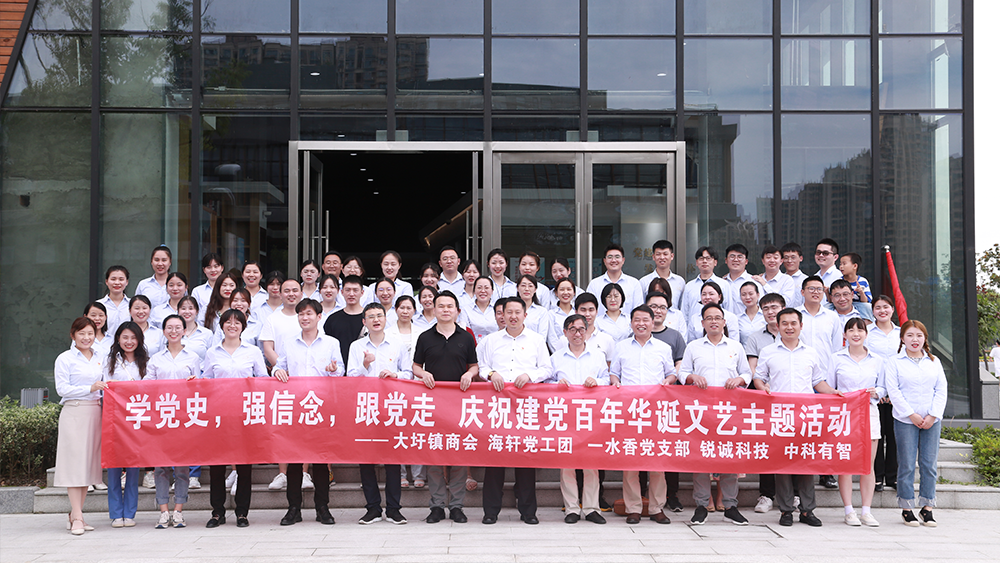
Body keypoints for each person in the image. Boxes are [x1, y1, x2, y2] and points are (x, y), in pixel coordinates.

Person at [752, 308, 843, 527]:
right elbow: (759, 378)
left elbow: (817, 382)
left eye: (793, 323)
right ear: (778, 326)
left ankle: (807, 510)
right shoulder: (768, 351)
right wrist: (763, 388)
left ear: (801, 326)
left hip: (805, 416)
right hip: (779, 416)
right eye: (784, 323)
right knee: (782, 465)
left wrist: (833, 393)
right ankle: (785, 511)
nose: (789, 327)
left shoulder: (810, 352)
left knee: (805, 463)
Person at [477, 297, 553, 525]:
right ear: (502, 314)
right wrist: (492, 374)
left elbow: (547, 368)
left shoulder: (536, 340)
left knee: (525, 458)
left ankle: (528, 511)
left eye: (517, 312)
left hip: (525, 405)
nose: (512, 316)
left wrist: (530, 376)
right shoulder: (490, 340)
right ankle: (491, 511)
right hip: (498, 406)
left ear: (525, 315)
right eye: (508, 312)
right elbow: (482, 367)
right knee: (495, 458)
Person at [271, 299, 344, 527]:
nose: (305, 317)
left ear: (319, 317)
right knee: (294, 460)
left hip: (321, 407)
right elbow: (279, 366)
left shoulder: (331, 343)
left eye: (309, 313)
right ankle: (294, 508)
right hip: (295, 407)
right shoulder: (289, 343)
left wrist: (333, 370)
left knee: (321, 460)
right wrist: (277, 371)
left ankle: (322, 507)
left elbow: (340, 371)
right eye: (301, 314)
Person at [680, 303, 752, 526]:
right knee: (701, 458)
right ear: (702, 323)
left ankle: (730, 506)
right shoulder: (693, 347)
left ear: (724, 322)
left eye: (717, 318)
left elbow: (747, 373)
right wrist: (692, 377)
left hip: (728, 412)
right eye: (709, 318)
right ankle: (701, 505)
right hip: (701, 412)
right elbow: (683, 372)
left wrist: (739, 380)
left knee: (729, 458)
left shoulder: (735, 346)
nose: (713, 321)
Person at [413, 290, 480, 524]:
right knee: (434, 456)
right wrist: (423, 374)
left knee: (459, 457)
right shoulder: (425, 337)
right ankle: (437, 506)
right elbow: (415, 365)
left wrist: (469, 375)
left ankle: (457, 506)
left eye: (450, 306)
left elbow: (474, 366)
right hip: (432, 404)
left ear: (457, 311)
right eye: (440, 306)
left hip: (460, 404)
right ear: (434, 309)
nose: (445, 310)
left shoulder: (466, 337)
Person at [610, 305, 677, 525]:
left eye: (645, 320)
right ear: (631, 323)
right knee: (630, 461)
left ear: (653, 321)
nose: (641, 324)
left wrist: (668, 381)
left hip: (655, 411)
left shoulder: (663, 348)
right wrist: (616, 383)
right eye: (637, 320)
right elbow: (614, 374)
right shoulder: (621, 347)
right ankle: (633, 508)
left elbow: (671, 373)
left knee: (657, 461)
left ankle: (657, 508)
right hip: (629, 411)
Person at [202, 309, 268, 528]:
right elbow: (206, 380)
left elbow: (263, 379)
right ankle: (217, 512)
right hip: (219, 416)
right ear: (221, 326)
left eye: (237, 322)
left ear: (243, 326)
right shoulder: (212, 352)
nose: (232, 325)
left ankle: (242, 512)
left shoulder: (253, 351)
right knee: (217, 466)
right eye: (228, 322)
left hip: (244, 415)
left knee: (244, 466)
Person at [347, 303, 412, 525]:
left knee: (393, 460)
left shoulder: (397, 344)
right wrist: (365, 366)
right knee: (366, 461)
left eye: (379, 315)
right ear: (364, 322)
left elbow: (409, 373)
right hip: (366, 408)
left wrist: (395, 375)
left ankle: (394, 508)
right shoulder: (356, 346)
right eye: (371, 317)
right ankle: (373, 508)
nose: (376, 320)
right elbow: (350, 377)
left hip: (392, 407)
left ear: (386, 319)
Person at [885, 319, 947, 527]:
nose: (915, 339)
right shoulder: (894, 362)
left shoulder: (934, 361)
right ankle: (907, 508)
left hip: (931, 420)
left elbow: (941, 389)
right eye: (910, 335)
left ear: (925, 338)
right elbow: (894, 391)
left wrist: (933, 415)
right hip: (905, 420)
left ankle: (927, 508)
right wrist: (911, 414)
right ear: (902, 338)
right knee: (907, 464)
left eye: (919, 335)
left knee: (929, 465)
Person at [552, 314, 609, 525]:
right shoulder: (556, 357)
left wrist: (596, 381)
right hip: (564, 415)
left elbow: (607, 379)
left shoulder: (597, 356)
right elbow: (546, 382)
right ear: (565, 332)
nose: (577, 333)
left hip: (590, 416)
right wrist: (556, 385)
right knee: (567, 463)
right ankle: (572, 508)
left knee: (591, 463)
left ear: (587, 332)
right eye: (572, 329)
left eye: (581, 329)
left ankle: (592, 508)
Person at [146, 314, 201, 529]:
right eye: (169, 327)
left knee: (181, 467)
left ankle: (178, 511)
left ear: (184, 331)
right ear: (164, 331)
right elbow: (147, 386)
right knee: (160, 467)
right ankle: (163, 511)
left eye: (178, 327)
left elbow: (200, 388)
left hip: (185, 418)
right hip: (161, 418)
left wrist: (195, 383)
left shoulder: (193, 357)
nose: (174, 331)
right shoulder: (155, 359)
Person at [829, 318, 884, 527]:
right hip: (844, 415)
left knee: (867, 465)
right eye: (850, 330)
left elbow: (883, 387)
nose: (855, 334)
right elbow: (829, 387)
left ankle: (866, 511)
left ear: (866, 334)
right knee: (846, 463)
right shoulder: (836, 358)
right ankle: (849, 510)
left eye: (860, 330)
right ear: (844, 335)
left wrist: (876, 392)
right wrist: (837, 394)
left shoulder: (877, 360)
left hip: (869, 413)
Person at [54, 317, 106, 535]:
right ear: (73, 335)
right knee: (75, 466)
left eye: (90, 333)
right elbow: (62, 389)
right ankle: (77, 517)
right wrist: (90, 388)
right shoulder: (65, 358)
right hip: (74, 412)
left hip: (95, 412)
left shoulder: (100, 356)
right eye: (82, 333)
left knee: (87, 466)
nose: (86, 337)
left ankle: (76, 514)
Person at [260, 279, 309, 492]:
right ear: (279, 294)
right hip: (281, 380)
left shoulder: (307, 316)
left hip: (306, 380)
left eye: (295, 290)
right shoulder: (272, 318)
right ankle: (282, 473)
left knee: (306, 426)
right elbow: (268, 348)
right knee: (283, 427)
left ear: (301, 293)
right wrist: (282, 368)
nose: (291, 294)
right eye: (286, 291)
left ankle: (304, 472)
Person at [743, 293, 786, 514]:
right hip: (765, 398)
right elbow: (753, 368)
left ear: (783, 308)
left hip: (790, 400)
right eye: (766, 308)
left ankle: (794, 494)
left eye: (774, 307)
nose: (771, 312)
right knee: (767, 446)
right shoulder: (755, 338)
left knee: (791, 446)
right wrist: (763, 386)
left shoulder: (796, 334)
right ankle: (767, 494)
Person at [103, 322, 148, 528]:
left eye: (133, 338)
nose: (129, 342)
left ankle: (129, 512)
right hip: (114, 418)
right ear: (118, 339)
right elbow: (105, 387)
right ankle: (115, 513)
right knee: (113, 466)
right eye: (125, 337)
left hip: (137, 418)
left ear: (139, 340)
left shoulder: (146, 362)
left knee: (133, 466)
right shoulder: (109, 361)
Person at [867, 295, 901, 492]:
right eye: (878, 307)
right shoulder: (867, 333)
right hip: (875, 393)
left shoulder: (901, 333)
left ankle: (892, 477)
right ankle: (877, 477)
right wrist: (880, 391)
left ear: (892, 309)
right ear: (873, 311)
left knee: (894, 436)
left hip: (898, 393)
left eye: (886, 307)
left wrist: (893, 392)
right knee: (876, 436)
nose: (882, 311)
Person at [798, 276, 842, 370]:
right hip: (800, 370)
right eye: (811, 289)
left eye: (819, 289)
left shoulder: (832, 316)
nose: (816, 292)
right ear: (802, 292)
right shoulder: (794, 315)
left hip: (825, 371)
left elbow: (837, 348)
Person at [586, 244, 644, 315]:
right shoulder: (594, 284)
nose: (613, 260)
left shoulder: (634, 283)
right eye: (610, 257)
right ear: (604, 261)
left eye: (617, 257)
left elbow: (638, 311)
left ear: (623, 260)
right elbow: (588, 309)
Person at [324, 275, 366, 363]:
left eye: (355, 290)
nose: (351, 294)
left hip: (363, 367)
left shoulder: (369, 318)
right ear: (342, 292)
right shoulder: (332, 319)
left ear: (362, 292)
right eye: (347, 290)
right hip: (337, 367)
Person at [681, 246, 729, 321]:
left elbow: (728, 310)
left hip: (716, 326)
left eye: (708, 258)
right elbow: (684, 312)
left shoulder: (723, 284)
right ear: (697, 262)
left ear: (715, 262)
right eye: (701, 258)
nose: (704, 261)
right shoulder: (689, 286)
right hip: (694, 327)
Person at [639, 240, 685, 307]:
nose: (662, 257)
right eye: (658, 254)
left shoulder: (680, 281)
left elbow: (682, 307)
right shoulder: (644, 282)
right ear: (653, 257)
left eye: (665, 254)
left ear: (672, 256)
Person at [517, 274, 557, 347]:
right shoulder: (511, 310)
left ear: (535, 289)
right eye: (523, 285)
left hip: (534, 348)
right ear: (517, 288)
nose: (526, 289)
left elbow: (542, 336)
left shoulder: (542, 311)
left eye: (530, 286)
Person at [722, 244, 759, 316]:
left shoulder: (754, 282)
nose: (736, 260)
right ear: (726, 260)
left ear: (746, 261)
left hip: (746, 322)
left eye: (740, 257)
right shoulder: (721, 282)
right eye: (732, 256)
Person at [98, 265, 131, 338]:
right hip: (104, 344)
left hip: (127, 344)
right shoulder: (98, 305)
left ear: (126, 282)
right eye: (113, 279)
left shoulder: (132, 305)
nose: (117, 282)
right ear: (106, 281)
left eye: (121, 279)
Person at [463, 276, 498, 343]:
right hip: (473, 345)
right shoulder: (466, 310)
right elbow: (465, 331)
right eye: (479, 288)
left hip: (495, 345)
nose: (483, 291)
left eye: (486, 288)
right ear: (474, 291)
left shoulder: (498, 309)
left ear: (492, 291)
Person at [780, 243, 807, 308]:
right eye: (786, 258)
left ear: (801, 258)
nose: (789, 261)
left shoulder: (805, 280)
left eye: (793, 257)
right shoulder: (779, 279)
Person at [736, 281, 765, 345]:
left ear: (758, 295)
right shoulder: (737, 319)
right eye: (743, 294)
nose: (747, 297)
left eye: (751, 294)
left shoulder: (765, 315)